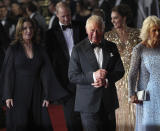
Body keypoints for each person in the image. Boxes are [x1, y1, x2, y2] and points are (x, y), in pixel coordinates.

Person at [1, 17, 68, 131]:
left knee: (39, 124)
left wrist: (47, 95)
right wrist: (7, 95)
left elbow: (46, 73)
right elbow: (8, 73)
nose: (28, 31)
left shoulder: (40, 49)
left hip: (38, 92)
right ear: (19, 30)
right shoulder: (13, 49)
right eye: (25, 28)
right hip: (18, 94)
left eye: (31, 28)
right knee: (21, 124)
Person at [68, 15, 125, 131]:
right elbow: (72, 76)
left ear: (103, 30)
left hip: (108, 103)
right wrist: (94, 76)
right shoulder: (77, 49)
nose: (95, 34)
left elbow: (120, 71)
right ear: (86, 30)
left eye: (98, 30)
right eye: (91, 31)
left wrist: (106, 79)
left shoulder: (112, 47)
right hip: (87, 105)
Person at [128, 16, 160, 131]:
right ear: (147, 31)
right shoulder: (139, 49)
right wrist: (132, 94)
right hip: (147, 93)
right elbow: (132, 74)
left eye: (159, 30)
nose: (157, 33)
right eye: (154, 30)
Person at [45, 1, 86, 131]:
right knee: (71, 119)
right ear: (56, 14)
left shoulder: (81, 26)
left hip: (84, 78)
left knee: (87, 117)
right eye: (63, 16)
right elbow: (49, 62)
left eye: (69, 15)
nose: (67, 19)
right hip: (65, 82)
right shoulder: (50, 35)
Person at [104, 4, 140, 131]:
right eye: (111, 18)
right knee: (120, 113)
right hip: (117, 81)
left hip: (136, 80)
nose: (112, 21)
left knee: (137, 112)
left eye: (116, 18)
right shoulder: (107, 36)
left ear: (124, 18)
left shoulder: (138, 34)